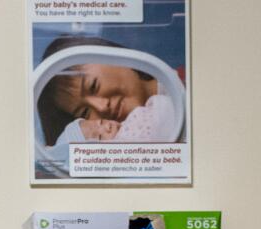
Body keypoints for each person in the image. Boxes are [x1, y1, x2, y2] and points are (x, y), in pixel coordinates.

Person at [35, 34, 174, 146]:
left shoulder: (190, 85)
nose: (101, 107)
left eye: (93, 86)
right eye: (85, 112)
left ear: (109, 54)